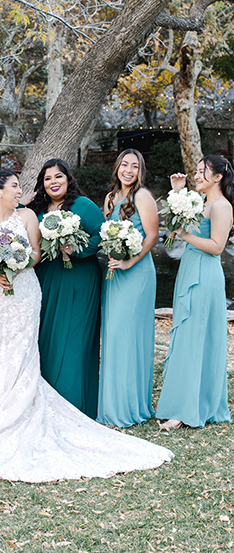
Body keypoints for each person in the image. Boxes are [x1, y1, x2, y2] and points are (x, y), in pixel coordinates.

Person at [0, 170, 172, 482]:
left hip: (23, 291)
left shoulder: (27, 216)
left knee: (20, 348)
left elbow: (36, 253)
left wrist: (16, 265)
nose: (19, 191)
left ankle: (20, 407)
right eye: (14, 186)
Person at [156, 156, 234, 430]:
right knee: (186, 335)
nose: (197, 175)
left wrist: (184, 235)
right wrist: (177, 193)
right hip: (190, 269)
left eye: (203, 171)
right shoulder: (201, 202)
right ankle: (184, 402)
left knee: (196, 337)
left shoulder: (222, 206)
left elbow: (216, 246)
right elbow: (180, 225)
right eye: (197, 170)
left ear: (218, 177)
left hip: (205, 274)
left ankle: (189, 409)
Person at [28, 159, 104, 419]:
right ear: (42, 183)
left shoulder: (83, 205)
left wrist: (77, 251)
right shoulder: (37, 210)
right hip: (48, 277)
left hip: (80, 279)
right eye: (48, 178)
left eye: (58, 177)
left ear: (68, 179)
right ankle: (46, 402)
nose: (53, 182)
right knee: (48, 336)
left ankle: (75, 403)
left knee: (74, 338)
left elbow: (102, 234)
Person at [97, 149, 159, 428]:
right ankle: (112, 404)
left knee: (130, 335)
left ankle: (131, 406)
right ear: (118, 168)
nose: (129, 170)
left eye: (135, 166)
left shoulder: (143, 196)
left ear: (140, 171)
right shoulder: (111, 198)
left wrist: (129, 262)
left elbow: (153, 235)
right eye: (125, 164)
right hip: (114, 273)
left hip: (137, 273)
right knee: (113, 335)